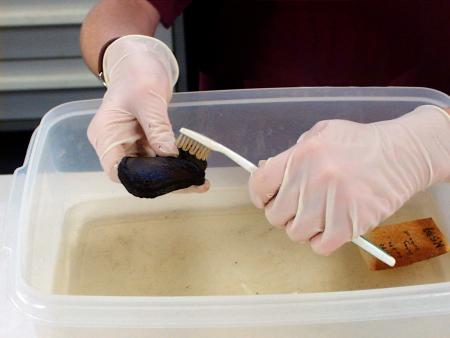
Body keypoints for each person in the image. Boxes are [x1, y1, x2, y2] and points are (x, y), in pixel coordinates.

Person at [81, 0, 450, 255]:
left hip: (423, 183)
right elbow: (127, 7)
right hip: (238, 176)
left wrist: (429, 145)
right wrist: (126, 54)